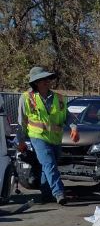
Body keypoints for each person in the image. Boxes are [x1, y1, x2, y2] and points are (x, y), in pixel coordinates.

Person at [16, 66, 76, 204]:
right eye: (43, 79)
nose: (47, 81)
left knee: (47, 166)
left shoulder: (59, 98)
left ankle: (47, 195)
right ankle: (59, 192)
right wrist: (20, 141)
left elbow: (67, 116)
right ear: (36, 82)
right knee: (49, 164)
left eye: (48, 79)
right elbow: (21, 121)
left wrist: (74, 127)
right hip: (38, 137)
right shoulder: (26, 98)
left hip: (55, 138)